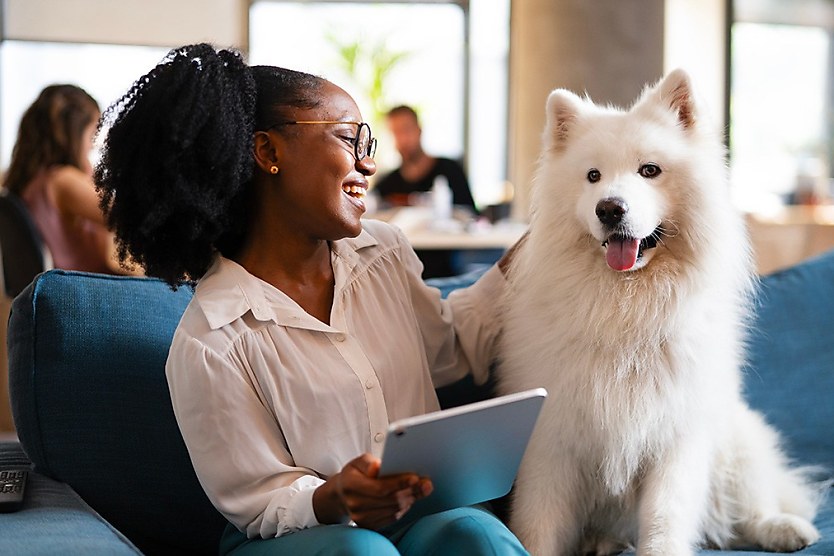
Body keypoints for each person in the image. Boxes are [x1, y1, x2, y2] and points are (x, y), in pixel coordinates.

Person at [94, 44, 527, 555]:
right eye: (348, 137)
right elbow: (259, 502)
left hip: (419, 518)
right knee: (361, 552)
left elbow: (450, 350)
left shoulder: (382, 255)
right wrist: (334, 497)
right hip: (300, 538)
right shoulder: (212, 340)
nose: (368, 162)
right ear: (269, 152)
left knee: (474, 534)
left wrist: (543, 246)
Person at [2, 84, 137, 275]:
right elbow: (130, 217)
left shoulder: (31, 181)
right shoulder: (63, 181)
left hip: (61, 289)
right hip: (83, 290)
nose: (92, 146)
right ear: (74, 134)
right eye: (91, 136)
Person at [374, 105, 477, 214]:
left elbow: (472, 216)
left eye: (406, 130)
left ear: (419, 130)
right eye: (396, 133)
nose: (403, 139)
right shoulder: (387, 185)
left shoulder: (450, 170)